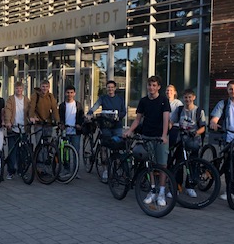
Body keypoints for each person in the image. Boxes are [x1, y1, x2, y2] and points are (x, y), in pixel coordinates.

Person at [124, 75, 171, 207]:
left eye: (154, 85)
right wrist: (130, 130)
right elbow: (138, 119)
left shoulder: (164, 100)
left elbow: (166, 119)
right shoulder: (143, 101)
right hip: (147, 135)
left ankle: (162, 192)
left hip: (159, 137)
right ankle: (152, 189)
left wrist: (164, 135)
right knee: (149, 164)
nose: (151, 88)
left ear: (158, 87)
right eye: (149, 85)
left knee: (162, 165)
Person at [170, 88, 207, 198]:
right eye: (185, 97)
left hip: (194, 141)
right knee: (179, 163)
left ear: (194, 97)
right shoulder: (179, 110)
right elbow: (171, 122)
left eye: (190, 97)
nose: (187, 99)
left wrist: (195, 133)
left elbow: (203, 127)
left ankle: (190, 187)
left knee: (193, 163)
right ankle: (177, 186)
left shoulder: (199, 111)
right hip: (181, 140)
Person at [88, 80, 127, 181]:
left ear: (115, 88)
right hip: (105, 126)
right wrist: (90, 112)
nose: (110, 89)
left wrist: (119, 116)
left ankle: (117, 168)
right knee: (104, 147)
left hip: (117, 125)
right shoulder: (103, 98)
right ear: (106, 88)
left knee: (117, 146)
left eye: (112, 87)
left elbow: (124, 111)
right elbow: (96, 105)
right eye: (108, 87)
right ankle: (105, 170)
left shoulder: (120, 99)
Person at [3, 81, 30, 179]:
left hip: (23, 128)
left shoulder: (26, 100)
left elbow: (30, 111)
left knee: (23, 151)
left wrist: (32, 118)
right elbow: (8, 111)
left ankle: (21, 170)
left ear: (23, 89)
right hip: (13, 127)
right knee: (12, 150)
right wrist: (8, 122)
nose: (19, 90)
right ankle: (11, 171)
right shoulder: (10, 99)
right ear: (14, 89)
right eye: (17, 88)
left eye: (20, 88)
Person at [29, 79, 60, 143]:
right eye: (43, 86)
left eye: (46, 86)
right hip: (38, 123)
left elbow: (54, 108)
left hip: (48, 123)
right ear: (40, 87)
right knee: (39, 142)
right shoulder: (35, 95)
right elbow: (32, 107)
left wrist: (57, 120)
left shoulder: (50, 96)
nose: (45, 88)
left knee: (47, 142)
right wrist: (31, 117)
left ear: (49, 87)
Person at [58, 85, 84, 160]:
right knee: (65, 152)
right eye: (68, 92)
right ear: (65, 93)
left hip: (75, 132)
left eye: (71, 92)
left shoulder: (78, 105)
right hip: (65, 132)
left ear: (74, 93)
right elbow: (60, 117)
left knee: (76, 151)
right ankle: (66, 166)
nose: (69, 94)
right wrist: (61, 124)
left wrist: (79, 125)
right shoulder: (62, 106)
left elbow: (81, 116)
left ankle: (76, 166)